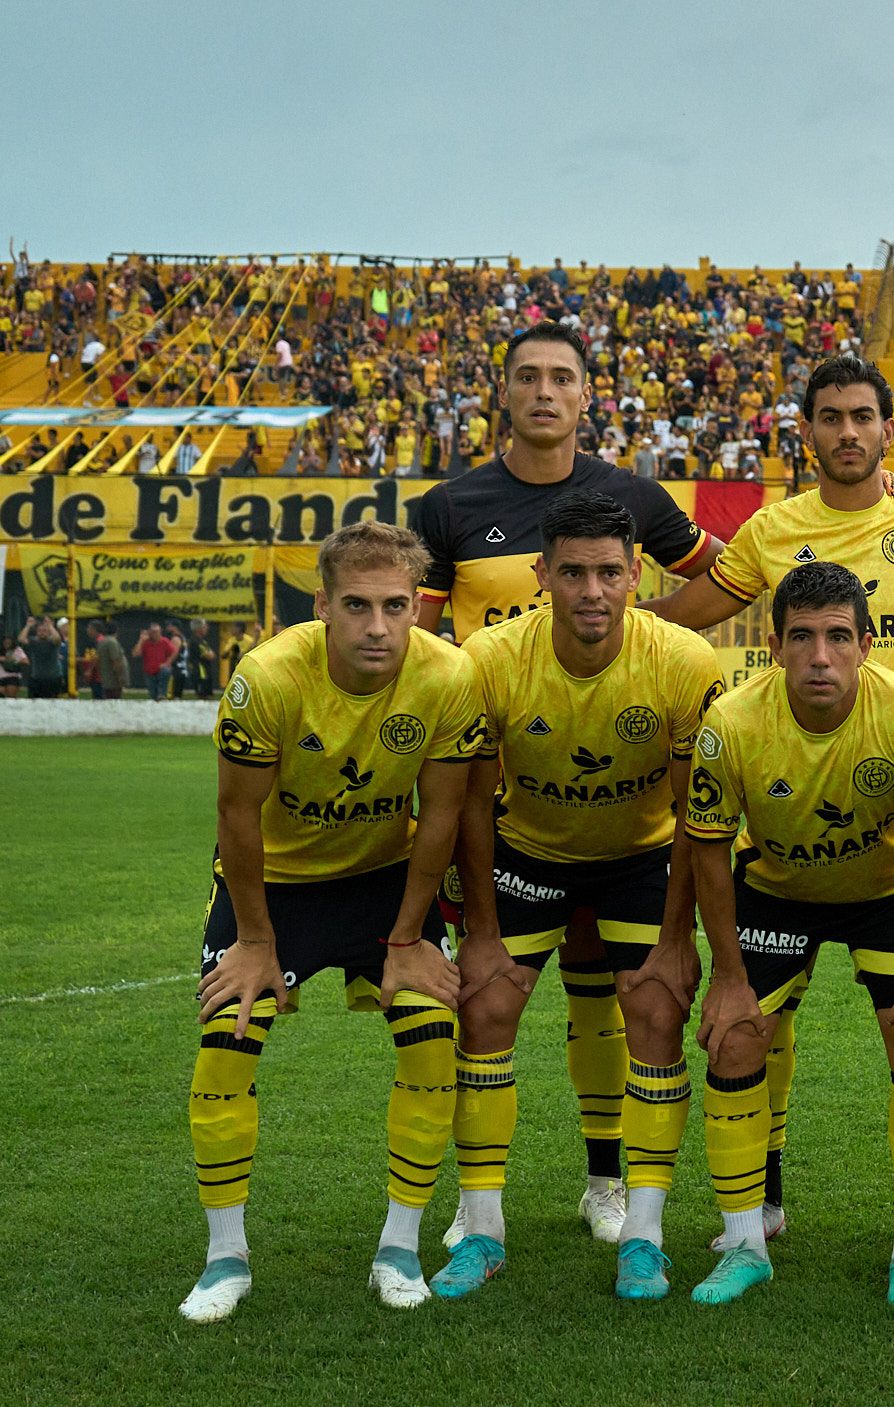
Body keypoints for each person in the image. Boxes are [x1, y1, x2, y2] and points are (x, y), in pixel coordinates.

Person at [647, 353, 894, 1251]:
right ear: (805, 433)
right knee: (761, 1016)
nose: (847, 432)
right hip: (792, 802)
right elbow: (691, 610)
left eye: (862, 417)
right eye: (830, 417)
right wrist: (612, 616)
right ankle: (761, 1193)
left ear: (889, 430)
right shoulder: (774, 530)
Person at [413, 321, 724, 1250]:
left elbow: (728, 577)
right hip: (514, 785)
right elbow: (428, 645)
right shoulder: (450, 505)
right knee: (505, 995)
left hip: (624, 798)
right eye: (527, 378)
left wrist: (633, 631)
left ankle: (607, 1186)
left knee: (615, 992)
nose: (545, 392)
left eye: (563, 378)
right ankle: (486, 1218)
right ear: (501, 393)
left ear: (589, 396)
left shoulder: (631, 494)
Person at [180, 520, 488, 1323]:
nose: (379, 626)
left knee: (431, 1036)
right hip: (272, 887)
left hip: (386, 882)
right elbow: (235, 816)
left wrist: (409, 936)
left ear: (419, 604)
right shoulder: (268, 677)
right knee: (227, 1042)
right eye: (356, 605)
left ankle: (399, 1244)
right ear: (322, 603)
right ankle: (225, 1258)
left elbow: (443, 813)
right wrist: (254, 941)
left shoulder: (450, 676)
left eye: (396, 605)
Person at [684, 562, 894, 1308]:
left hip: (887, 891)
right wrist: (728, 974)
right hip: (778, 891)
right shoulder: (732, 723)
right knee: (738, 1035)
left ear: (868, 644)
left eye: (838, 636)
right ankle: (745, 1241)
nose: (819, 656)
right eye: (801, 637)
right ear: (772, 645)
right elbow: (709, 849)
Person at [133, 621, 179, 701]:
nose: (155, 634)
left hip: (160, 670)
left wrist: (167, 663)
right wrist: (141, 640)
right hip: (149, 672)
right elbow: (135, 654)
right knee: (153, 695)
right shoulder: (146, 642)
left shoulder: (164, 641)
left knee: (165, 672)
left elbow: (174, 652)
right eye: (153, 632)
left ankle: (162, 694)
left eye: (157, 632)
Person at [24, 618, 65, 698]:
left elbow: (57, 639)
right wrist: (28, 626)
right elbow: (21, 639)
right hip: (36, 678)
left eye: (44, 630)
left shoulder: (52, 642)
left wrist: (50, 626)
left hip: (52, 678)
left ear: (49, 632)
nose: (41, 633)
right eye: (39, 630)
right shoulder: (34, 641)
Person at [95, 620, 128, 699]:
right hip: (113, 680)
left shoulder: (102, 641)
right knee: (114, 699)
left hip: (106, 678)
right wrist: (120, 676)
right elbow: (115, 660)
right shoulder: (112, 642)